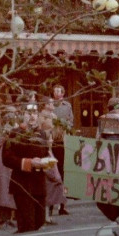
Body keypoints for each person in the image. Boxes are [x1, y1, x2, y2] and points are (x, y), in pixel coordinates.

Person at [1, 101, 49, 233]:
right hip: (23, 185)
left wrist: (47, 162)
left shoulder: (42, 134)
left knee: (39, 221)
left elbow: (45, 153)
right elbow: (6, 158)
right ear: (23, 115)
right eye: (29, 113)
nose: (32, 116)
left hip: (39, 184)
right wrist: (29, 163)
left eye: (35, 113)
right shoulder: (15, 134)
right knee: (28, 226)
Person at [50, 85, 72, 217]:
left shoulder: (67, 106)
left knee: (64, 175)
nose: (56, 93)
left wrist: (65, 127)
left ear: (63, 93)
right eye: (55, 91)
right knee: (53, 173)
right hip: (53, 142)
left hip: (63, 142)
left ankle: (63, 205)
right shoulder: (50, 106)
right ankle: (51, 205)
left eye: (59, 91)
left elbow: (71, 121)